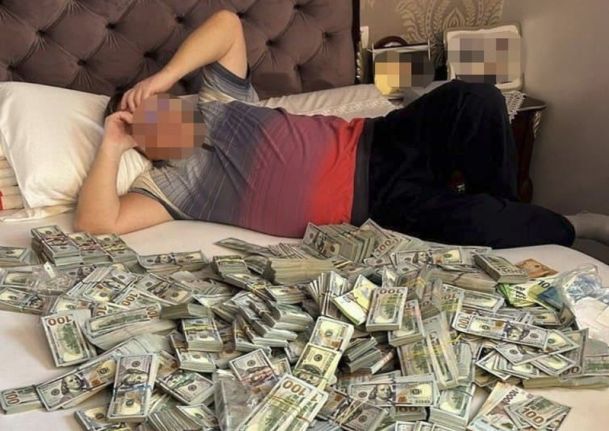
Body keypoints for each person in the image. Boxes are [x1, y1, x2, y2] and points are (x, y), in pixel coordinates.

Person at [74, 10, 609, 249]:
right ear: (137, 142)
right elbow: (99, 223)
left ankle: (505, 208)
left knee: (477, 97)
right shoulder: (169, 189)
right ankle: (579, 225)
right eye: (141, 120)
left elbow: (228, 24)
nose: (156, 113)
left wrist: (163, 77)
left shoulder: (217, 102)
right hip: (375, 206)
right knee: (478, 226)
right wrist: (113, 141)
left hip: (381, 138)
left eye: (157, 104)